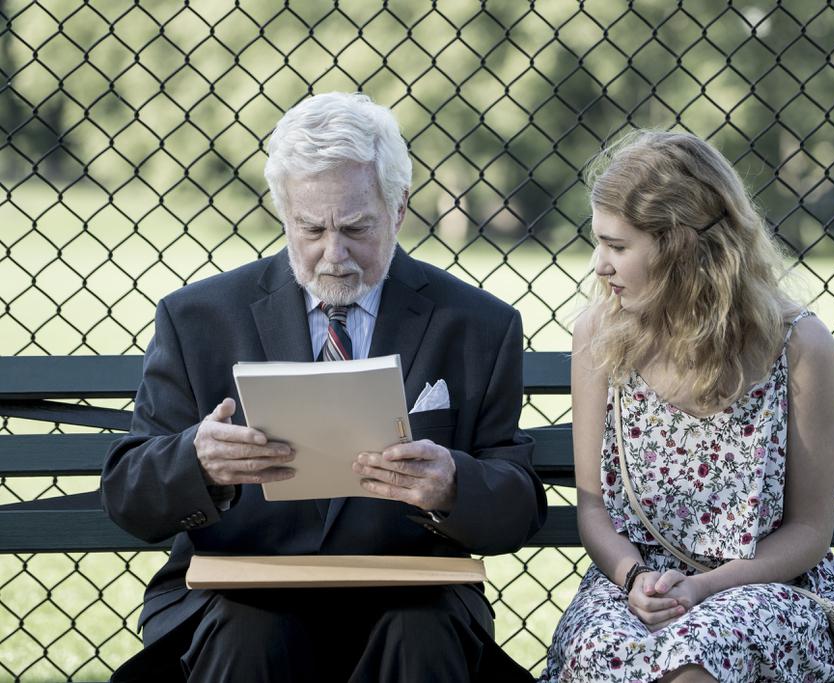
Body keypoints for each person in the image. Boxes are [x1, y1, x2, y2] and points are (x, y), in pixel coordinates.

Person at [101, 91, 546, 682]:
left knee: (421, 634)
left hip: (412, 594)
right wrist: (197, 462)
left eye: (357, 228)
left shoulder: (479, 323)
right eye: (311, 228)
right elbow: (128, 496)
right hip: (239, 591)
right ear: (283, 212)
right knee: (250, 635)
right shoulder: (197, 318)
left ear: (399, 208)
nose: (334, 256)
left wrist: (453, 485)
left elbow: (517, 503)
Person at [540, 131, 834, 683]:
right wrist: (634, 578)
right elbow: (593, 510)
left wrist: (705, 587)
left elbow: (809, 530)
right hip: (633, 583)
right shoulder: (600, 333)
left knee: (697, 655)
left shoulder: (797, 346)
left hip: (764, 588)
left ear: (681, 245)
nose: (599, 266)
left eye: (618, 247)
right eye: (599, 243)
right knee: (599, 651)